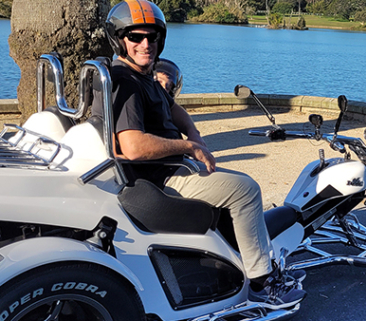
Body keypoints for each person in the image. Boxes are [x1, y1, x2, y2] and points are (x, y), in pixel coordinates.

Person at [104, 0, 305, 308]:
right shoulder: (126, 83)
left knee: (229, 182)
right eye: (136, 37)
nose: (146, 44)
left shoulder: (143, 74)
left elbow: (172, 107)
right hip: (158, 177)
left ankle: (234, 256)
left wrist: (194, 133)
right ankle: (264, 284)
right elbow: (132, 146)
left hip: (167, 168)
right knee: (246, 189)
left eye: (152, 37)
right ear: (120, 39)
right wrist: (189, 146)